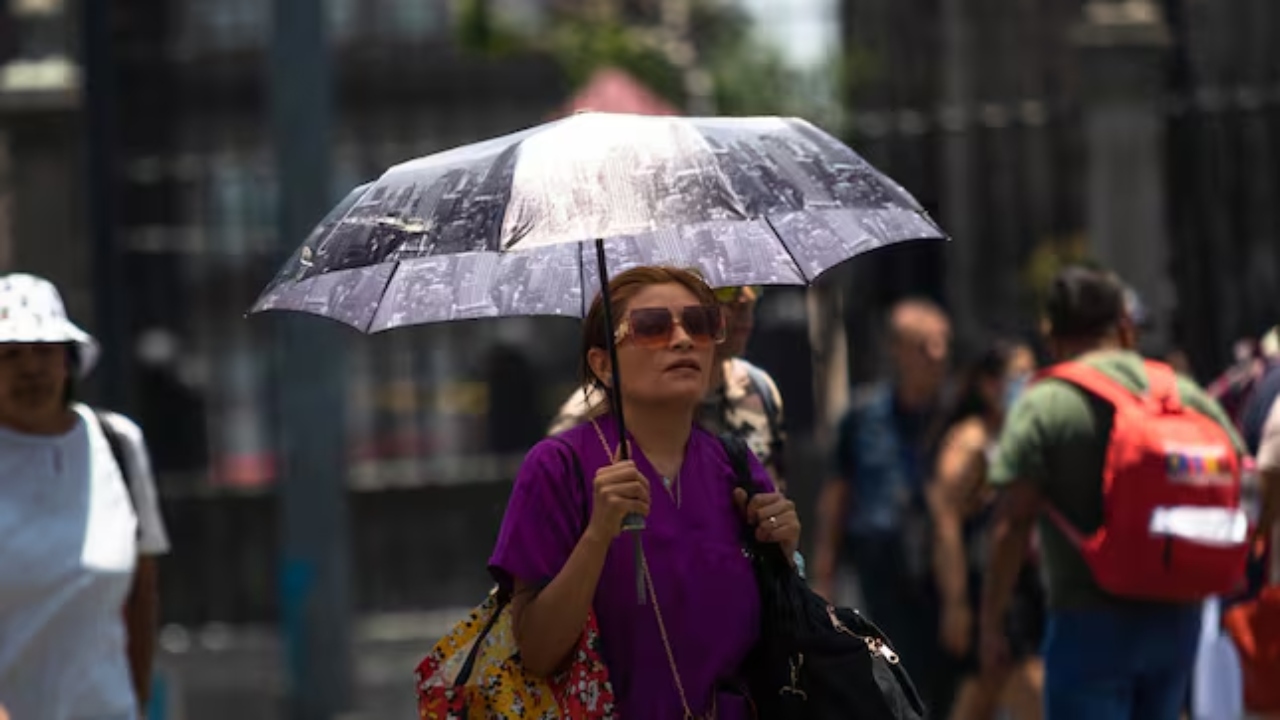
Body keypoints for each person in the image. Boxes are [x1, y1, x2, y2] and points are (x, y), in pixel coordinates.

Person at [490, 266, 802, 718]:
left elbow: (772, 640)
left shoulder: (735, 466)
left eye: (699, 324)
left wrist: (786, 553)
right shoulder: (558, 467)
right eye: (652, 327)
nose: (682, 340)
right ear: (602, 364)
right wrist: (598, 534)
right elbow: (538, 651)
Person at [979, 266, 1246, 720]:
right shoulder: (1180, 392)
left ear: (1052, 335)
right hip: (1176, 619)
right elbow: (1243, 473)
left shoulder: (1044, 402)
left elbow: (1013, 519)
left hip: (1087, 623)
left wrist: (991, 622)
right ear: (1124, 325)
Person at [0, 273, 170, 720]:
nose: (31, 369)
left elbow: (142, 591)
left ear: (69, 362)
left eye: (45, 351)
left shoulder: (118, 443)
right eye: (11, 354)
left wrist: (136, 702)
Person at [813, 298, 955, 711]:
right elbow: (837, 495)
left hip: (940, 576)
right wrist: (824, 577)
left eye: (943, 343)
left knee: (942, 686)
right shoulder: (863, 414)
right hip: (879, 573)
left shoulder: (957, 415)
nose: (937, 355)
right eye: (924, 346)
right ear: (897, 351)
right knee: (884, 678)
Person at [548, 284, 788, 491]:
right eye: (724, 290)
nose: (746, 298)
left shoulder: (758, 389)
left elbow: (776, 495)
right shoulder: (586, 417)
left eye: (752, 285)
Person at [927, 339, 1043, 720]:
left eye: (1031, 374)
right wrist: (957, 603)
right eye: (1016, 376)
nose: (1026, 384)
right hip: (986, 588)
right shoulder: (972, 440)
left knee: (983, 695)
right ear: (987, 384)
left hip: (1019, 585)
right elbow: (945, 519)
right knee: (1024, 693)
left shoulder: (1020, 433)